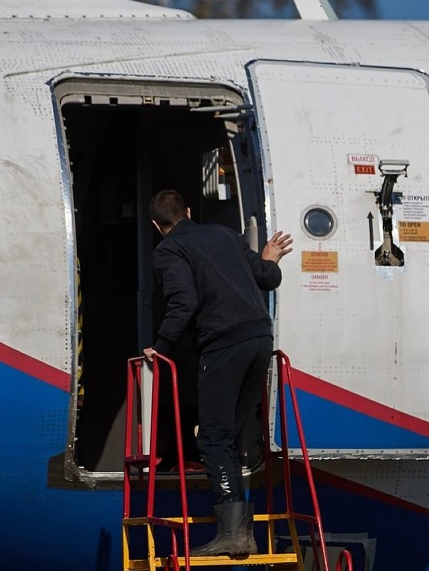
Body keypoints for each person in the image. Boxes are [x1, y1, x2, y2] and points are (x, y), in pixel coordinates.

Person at [143, 189, 292, 557]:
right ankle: (241, 527)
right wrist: (269, 259)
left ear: (156, 226)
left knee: (212, 439)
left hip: (224, 346)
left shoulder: (168, 250)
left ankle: (233, 532)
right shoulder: (226, 233)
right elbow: (268, 278)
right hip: (260, 339)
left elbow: (184, 302)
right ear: (189, 211)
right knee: (228, 434)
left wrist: (159, 346)